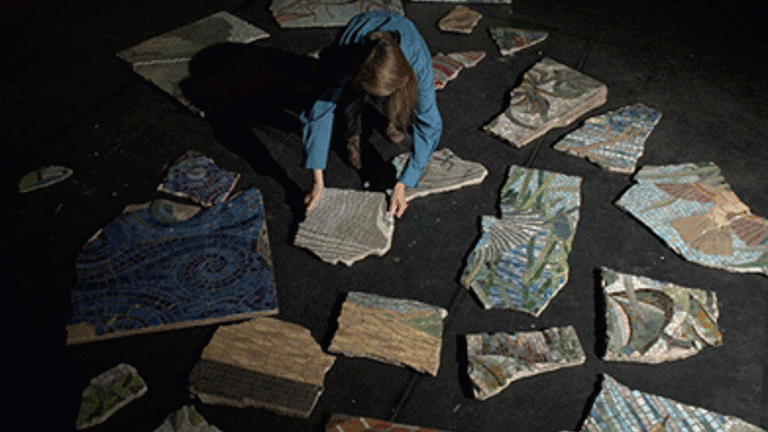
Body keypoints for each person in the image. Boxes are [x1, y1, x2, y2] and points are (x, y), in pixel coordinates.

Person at [300, 10, 442, 218]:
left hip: (403, 48)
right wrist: (317, 181)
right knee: (348, 97)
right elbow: (319, 111)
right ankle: (352, 133)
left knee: (395, 100)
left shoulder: (418, 66)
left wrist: (403, 183)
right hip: (355, 51)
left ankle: (391, 116)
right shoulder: (345, 57)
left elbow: (430, 125)